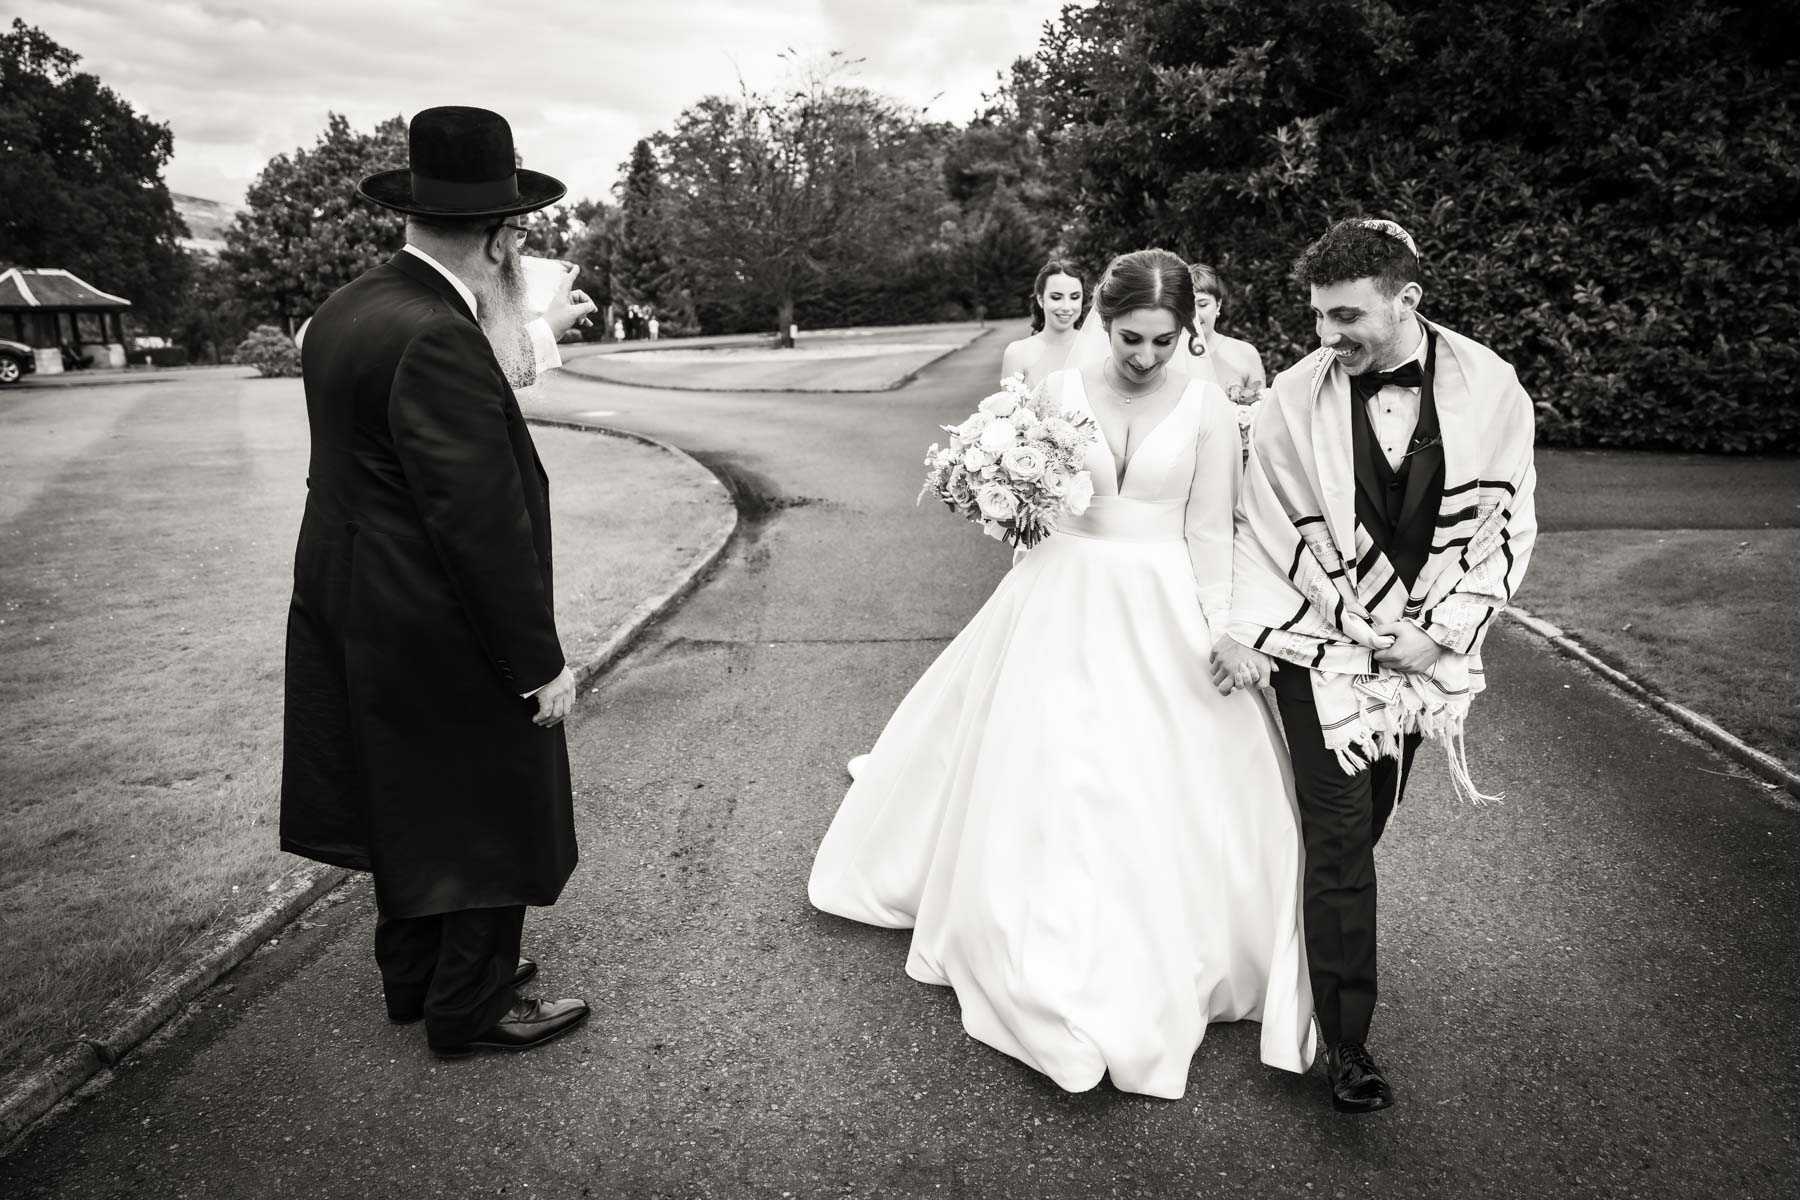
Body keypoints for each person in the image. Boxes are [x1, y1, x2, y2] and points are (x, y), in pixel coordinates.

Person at [810, 249, 1314, 1100]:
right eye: (1129, 337)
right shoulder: (1058, 394)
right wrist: (1002, 494)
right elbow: (1035, 517)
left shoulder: (1206, 411)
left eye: (1163, 339)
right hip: (1057, 595)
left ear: (1188, 330)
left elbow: (1210, 533)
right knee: (1044, 765)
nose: (1146, 356)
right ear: (1101, 324)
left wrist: (1228, 630)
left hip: (1162, 603)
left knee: (1152, 779)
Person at [280, 106, 596, 1060]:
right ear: (502, 239)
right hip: (438, 618)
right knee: (490, 801)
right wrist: (537, 666)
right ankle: (472, 1003)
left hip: (355, 605)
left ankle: (415, 981)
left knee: (411, 797)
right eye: (518, 239)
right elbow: (479, 525)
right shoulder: (440, 338)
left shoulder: (350, 309)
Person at [1211, 218, 1538, 1114]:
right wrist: (1315, 627)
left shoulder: (1493, 388)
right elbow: (1264, 525)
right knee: (1342, 841)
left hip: (1423, 661)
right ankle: (1345, 1043)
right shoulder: (1288, 398)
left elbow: (1509, 523)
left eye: (1347, 316)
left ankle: (1293, 950)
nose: (1328, 337)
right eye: (1318, 317)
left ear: (1407, 302)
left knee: (1368, 823)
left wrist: (1438, 638)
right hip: (1320, 651)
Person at [997, 260, 1085, 388]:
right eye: (1056, 297)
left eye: (1074, 297)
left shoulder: (1097, 348)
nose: (1067, 307)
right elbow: (1008, 407)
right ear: (1041, 300)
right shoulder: (1017, 353)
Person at [1189, 263, 1266, 393]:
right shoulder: (1165, 355)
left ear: (1218, 305)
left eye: (1202, 305)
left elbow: (1258, 408)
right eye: (1187, 306)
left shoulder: (1245, 353)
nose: (1195, 315)